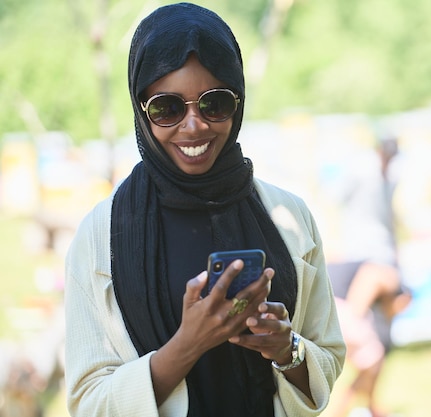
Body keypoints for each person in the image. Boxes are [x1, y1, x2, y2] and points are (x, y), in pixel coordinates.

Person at [63, 3, 345, 416]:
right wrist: (187, 345)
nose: (194, 126)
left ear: (238, 100)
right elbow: (88, 404)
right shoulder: (101, 236)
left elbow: (328, 359)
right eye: (167, 108)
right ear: (141, 110)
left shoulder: (289, 216)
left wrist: (286, 348)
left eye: (214, 104)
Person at [324, 135, 409, 417]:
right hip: (358, 263)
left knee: (376, 355)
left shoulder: (391, 177)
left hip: (370, 262)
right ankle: (350, 409)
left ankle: (370, 406)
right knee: (373, 354)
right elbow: (333, 202)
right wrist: (354, 322)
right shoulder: (360, 171)